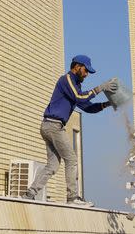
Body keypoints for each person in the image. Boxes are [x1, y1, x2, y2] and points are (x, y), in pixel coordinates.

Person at [23, 54, 118, 206]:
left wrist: (107, 104)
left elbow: (87, 107)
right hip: (53, 125)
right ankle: (72, 198)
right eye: (86, 70)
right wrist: (100, 88)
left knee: (52, 166)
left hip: (50, 126)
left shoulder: (76, 87)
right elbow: (80, 97)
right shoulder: (66, 79)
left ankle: (30, 194)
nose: (86, 75)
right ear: (77, 66)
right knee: (72, 160)